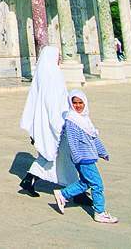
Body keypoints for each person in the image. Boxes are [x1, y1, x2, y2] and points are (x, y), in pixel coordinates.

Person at [18, 46, 78, 197]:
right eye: (58, 55)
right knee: (63, 157)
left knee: (52, 156)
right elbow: (54, 103)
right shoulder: (54, 75)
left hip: (44, 121)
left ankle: (29, 179)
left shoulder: (43, 75)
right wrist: (59, 124)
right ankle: (77, 192)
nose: (60, 59)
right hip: (56, 122)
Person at [53, 90, 118, 224]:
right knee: (97, 184)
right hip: (83, 158)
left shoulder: (84, 118)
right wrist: (78, 157)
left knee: (85, 182)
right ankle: (100, 212)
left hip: (89, 155)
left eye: (80, 102)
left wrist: (102, 152)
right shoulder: (72, 120)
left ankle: (63, 194)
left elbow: (93, 137)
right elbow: (72, 141)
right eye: (74, 103)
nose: (77, 106)